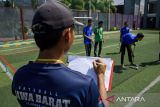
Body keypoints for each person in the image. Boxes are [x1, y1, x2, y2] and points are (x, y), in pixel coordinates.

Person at [12, 1, 108, 107]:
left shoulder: (19, 76)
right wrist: (100, 76)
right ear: (67, 35)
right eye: (73, 30)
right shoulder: (84, 85)